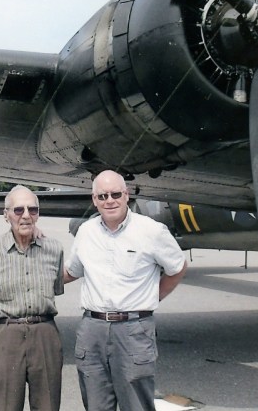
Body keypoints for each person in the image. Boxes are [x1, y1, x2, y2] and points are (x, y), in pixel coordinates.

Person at [64, 170, 188, 411]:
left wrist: (155, 295)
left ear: (126, 195)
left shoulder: (151, 231)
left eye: (115, 194)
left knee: (136, 405)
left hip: (133, 330)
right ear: (94, 199)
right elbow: (72, 271)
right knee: (95, 404)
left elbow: (178, 267)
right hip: (93, 329)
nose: (109, 200)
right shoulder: (86, 232)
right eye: (102, 196)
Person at [0, 185, 65, 411]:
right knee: (3, 405)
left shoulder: (54, 249)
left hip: (45, 332)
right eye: (18, 210)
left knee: (48, 405)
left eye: (32, 210)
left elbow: (56, 288)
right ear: (6, 215)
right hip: (4, 334)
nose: (26, 215)